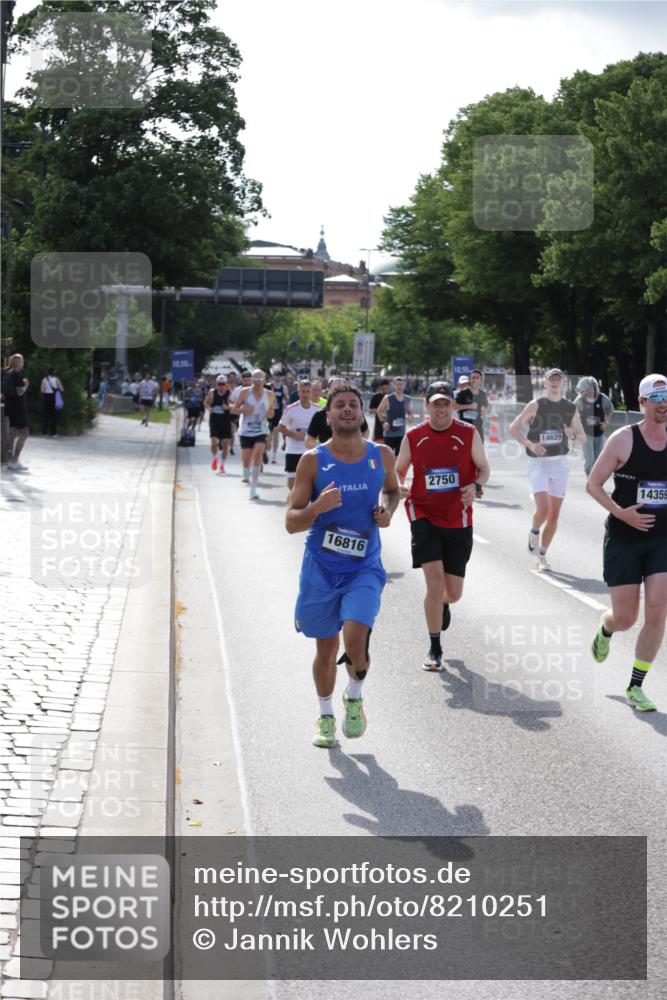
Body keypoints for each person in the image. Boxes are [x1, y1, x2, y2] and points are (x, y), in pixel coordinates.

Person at [286, 384, 400, 747]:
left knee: (355, 639)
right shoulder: (312, 461)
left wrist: (387, 512)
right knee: (325, 649)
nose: (348, 410)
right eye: (340, 405)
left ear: (362, 413)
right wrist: (317, 507)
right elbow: (291, 521)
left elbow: (394, 490)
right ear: (329, 415)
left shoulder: (381, 455)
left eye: (353, 405)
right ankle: (324, 716)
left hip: (363, 566)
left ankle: (354, 697)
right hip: (321, 567)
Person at [396, 382, 490, 671]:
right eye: (436, 403)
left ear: (452, 405)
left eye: (446, 403)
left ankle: (443, 603)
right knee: (433, 583)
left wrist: (476, 485)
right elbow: (398, 470)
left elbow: (484, 469)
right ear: (427, 406)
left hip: (457, 517)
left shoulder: (467, 433)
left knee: (453, 592)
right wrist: (399, 485)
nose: (441, 408)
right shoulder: (414, 437)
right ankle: (435, 647)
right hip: (422, 512)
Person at [587, 374, 666, 712]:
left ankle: (636, 685)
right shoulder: (623, 440)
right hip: (624, 538)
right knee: (625, 618)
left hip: (661, 538)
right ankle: (606, 629)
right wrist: (621, 513)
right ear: (642, 402)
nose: (663, 403)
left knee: (658, 609)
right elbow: (593, 484)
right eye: (656, 397)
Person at [508, 368, 585, 571]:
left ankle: (541, 556)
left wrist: (572, 435)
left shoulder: (570, 408)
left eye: (558, 380)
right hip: (538, 463)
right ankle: (534, 531)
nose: (555, 383)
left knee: (554, 515)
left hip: (560, 463)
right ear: (544, 383)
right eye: (551, 380)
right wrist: (530, 444)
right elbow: (513, 428)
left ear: (564, 384)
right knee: (543, 509)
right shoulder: (536, 405)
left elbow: (583, 438)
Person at [232, 369, 275, 499]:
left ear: (265, 380)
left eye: (259, 380)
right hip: (245, 431)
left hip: (261, 430)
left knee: (257, 455)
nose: (257, 382)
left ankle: (253, 488)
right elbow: (234, 409)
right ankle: (246, 472)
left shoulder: (270, 395)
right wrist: (245, 410)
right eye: (254, 380)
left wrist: (269, 414)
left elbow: (272, 412)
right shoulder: (245, 392)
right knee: (246, 460)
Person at [305, 376, 369, 449]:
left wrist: (358, 445)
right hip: (328, 458)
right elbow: (308, 441)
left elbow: (365, 431)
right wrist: (326, 446)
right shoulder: (320, 414)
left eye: (342, 389)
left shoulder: (355, 412)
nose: (340, 393)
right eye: (335, 390)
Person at [279, 378, 317, 492]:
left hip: (310, 451)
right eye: (303, 392)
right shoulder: (291, 409)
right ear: (298, 392)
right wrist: (294, 435)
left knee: (312, 481)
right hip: (293, 450)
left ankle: (306, 505)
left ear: (311, 393)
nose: (305, 394)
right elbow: (280, 427)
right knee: (292, 485)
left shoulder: (317, 410)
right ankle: (293, 502)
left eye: (307, 392)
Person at [575, 376, 614, 476]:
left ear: (595, 387)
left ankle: (594, 478)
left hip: (599, 433)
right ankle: (590, 478)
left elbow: (610, 410)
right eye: (587, 389)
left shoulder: (602, 398)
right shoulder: (580, 400)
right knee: (590, 458)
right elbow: (572, 412)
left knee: (597, 458)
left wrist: (606, 422)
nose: (590, 391)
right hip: (586, 433)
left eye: (591, 388)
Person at [3, 354, 30, 472]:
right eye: (22, 361)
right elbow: (20, 392)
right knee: (24, 433)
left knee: (12, 433)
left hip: (9, 407)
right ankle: (15, 459)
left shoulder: (7, 373)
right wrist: (26, 385)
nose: (23, 363)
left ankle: (10, 461)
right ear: (18, 363)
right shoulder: (17, 375)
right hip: (18, 408)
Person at [376, 376, 413, 456]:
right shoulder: (388, 398)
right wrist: (383, 423)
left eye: (401, 384)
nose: (399, 386)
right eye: (397, 384)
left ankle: (395, 469)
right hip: (389, 434)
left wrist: (409, 417)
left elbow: (410, 412)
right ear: (393, 385)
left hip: (401, 434)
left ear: (404, 385)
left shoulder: (408, 399)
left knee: (398, 457)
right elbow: (379, 411)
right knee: (388, 457)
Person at [205, 375, 232, 473]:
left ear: (226, 384)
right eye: (219, 384)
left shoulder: (229, 393)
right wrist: (209, 408)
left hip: (225, 421)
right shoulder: (212, 393)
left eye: (223, 384)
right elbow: (206, 403)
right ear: (216, 384)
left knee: (225, 445)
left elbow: (234, 404)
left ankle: (222, 465)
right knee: (213, 443)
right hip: (214, 420)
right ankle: (215, 458)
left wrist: (228, 407)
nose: (221, 386)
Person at [267, 370, 290, 463]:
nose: (278, 377)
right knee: (268, 434)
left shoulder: (283, 388)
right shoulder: (268, 386)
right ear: (273, 377)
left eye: (279, 376)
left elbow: (287, 399)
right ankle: (265, 451)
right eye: (276, 375)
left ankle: (274, 455)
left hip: (278, 412)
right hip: (269, 412)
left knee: (276, 433)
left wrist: (285, 397)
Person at [41, 369, 64, 437]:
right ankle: (53, 433)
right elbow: (62, 389)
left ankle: (44, 432)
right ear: (54, 372)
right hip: (53, 398)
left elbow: (42, 390)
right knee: (54, 416)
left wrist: (46, 390)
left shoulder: (44, 379)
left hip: (46, 397)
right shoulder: (56, 379)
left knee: (46, 416)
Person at [469, 369, 489, 441]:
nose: (475, 380)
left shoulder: (483, 394)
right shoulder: (464, 393)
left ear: (480, 381)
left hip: (477, 427)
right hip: (464, 426)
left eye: (477, 378)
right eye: (473, 377)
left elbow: (485, 411)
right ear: (470, 379)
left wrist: (483, 411)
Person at [368, 378, 390, 443]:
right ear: (380, 388)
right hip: (378, 425)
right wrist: (380, 410)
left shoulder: (391, 397)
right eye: (383, 389)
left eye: (386, 388)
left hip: (389, 425)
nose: (385, 390)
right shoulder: (376, 397)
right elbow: (370, 410)